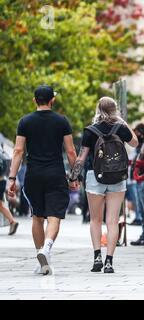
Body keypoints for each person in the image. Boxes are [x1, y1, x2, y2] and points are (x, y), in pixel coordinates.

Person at [8, 85, 78, 275]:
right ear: (52, 100)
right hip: (55, 174)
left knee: (37, 216)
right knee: (54, 215)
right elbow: (71, 152)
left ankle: (42, 262)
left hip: (33, 175)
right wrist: (74, 175)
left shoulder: (25, 122)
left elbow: (18, 151)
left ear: (34, 100)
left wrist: (11, 178)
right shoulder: (62, 121)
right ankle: (46, 248)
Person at [70, 97, 138, 273]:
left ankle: (97, 257)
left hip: (95, 177)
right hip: (117, 177)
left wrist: (73, 177)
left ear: (97, 109)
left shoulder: (90, 131)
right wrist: (122, 121)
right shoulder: (121, 128)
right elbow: (135, 142)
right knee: (113, 221)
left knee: (95, 219)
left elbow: (81, 157)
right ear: (115, 110)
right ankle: (109, 261)